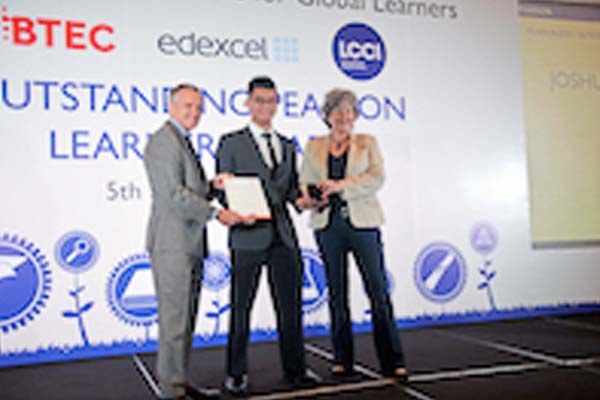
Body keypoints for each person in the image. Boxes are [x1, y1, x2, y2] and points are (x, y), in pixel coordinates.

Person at [215, 76, 320, 396]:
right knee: (241, 308)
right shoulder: (230, 142)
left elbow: (290, 192)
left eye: (271, 101)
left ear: (277, 104)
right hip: (247, 236)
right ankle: (235, 373)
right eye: (259, 100)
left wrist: (306, 201)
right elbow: (222, 190)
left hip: (283, 236)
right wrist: (233, 205)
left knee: (290, 308)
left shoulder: (287, 145)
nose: (265, 106)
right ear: (248, 103)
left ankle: (296, 369)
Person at [299, 89, 408, 380]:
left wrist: (340, 186)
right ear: (327, 116)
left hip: (364, 224)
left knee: (378, 292)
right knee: (337, 294)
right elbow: (305, 181)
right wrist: (313, 195)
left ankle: (393, 360)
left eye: (348, 111)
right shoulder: (314, 146)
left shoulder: (367, 142)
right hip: (328, 226)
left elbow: (376, 178)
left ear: (355, 115)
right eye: (337, 111)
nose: (343, 116)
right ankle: (342, 359)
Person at [144, 83, 242, 400]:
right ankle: (171, 390)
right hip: (173, 244)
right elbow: (173, 195)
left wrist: (212, 185)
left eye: (199, 107)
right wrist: (217, 212)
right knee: (175, 323)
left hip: (187, 243)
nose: (194, 112)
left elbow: (189, 190)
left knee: (184, 321)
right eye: (188, 106)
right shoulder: (164, 141)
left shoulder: (180, 140)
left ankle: (178, 383)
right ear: (171, 107)